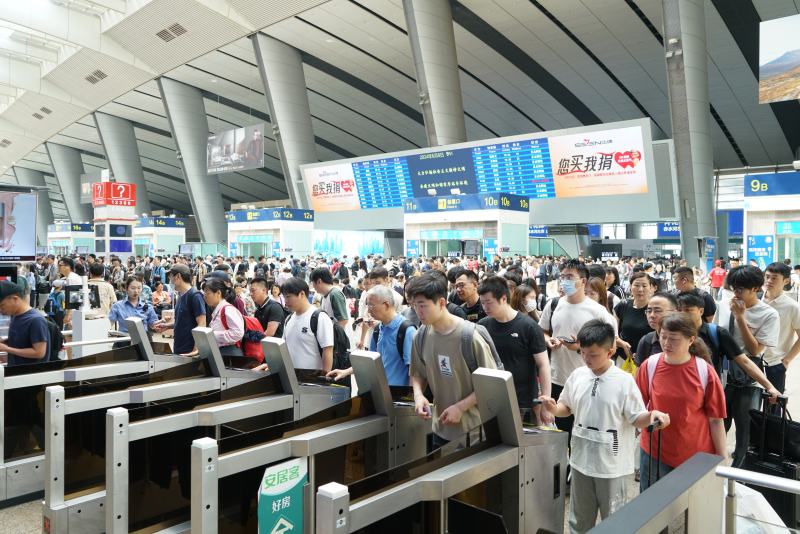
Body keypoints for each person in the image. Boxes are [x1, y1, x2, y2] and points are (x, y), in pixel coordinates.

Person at [540, 320, 668, 532]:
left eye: (593, 355)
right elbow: (567, 407)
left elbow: (636, 418)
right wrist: (554, 409)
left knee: (614, 520)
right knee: (579, 518)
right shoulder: (578, 375)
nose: (586, 359)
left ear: (610, 351)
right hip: (581, 460)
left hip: (611, 465)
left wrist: (653, 415)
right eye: (583, 353)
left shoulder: (624, 381)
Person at [636, 313, 727, 491]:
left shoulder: (704, 371)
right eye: (663, 337)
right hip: (655, 452)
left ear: (691, 340)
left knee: (690, 513)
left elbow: (716, 420)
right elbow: (636, 408)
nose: (666, 343)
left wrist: (722, 460)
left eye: (674, 339)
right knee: (652, 509)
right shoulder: (650, 366)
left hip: (695, 455)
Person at [409, 273, 498, 449]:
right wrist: (419, 396)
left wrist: (460, 407)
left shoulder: (470, 337)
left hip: (474, 433)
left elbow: (492, 384)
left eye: (422, 306)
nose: (418, 312)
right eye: (414, 306)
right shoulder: (421, 336)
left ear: (442, 303)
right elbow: (418, 373)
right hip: (439, 429)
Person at [539, 260, 617, 436]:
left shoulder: (598, 312)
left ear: (583, 281)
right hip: (558, 378)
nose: (564, 281)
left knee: (587, 431)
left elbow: (611, 347)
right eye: (562, 277)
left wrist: (579, 347)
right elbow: (542, 331)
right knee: (562, 432)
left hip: (589, 380)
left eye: (570, 277)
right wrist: (548, 339)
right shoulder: (553, 305)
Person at [715, 266, 780, 467]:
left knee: (744, 432)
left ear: (755, 288)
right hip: (722, 374)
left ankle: (739, 480)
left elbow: (754, 349)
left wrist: (741, 318)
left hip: (748, 378)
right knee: (717, 426)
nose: (736, 293)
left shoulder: (768, 314)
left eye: (741, 289)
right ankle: (712, 472)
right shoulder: (724, 306)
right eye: (733, 288)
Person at [479, 276, 552, 425]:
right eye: (482, 303)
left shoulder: (529, 326)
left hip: (523, 402)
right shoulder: (482, 326)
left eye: (489, 302)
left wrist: (546, 404)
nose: (485, 307)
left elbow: (543, 365)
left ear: (503, 298)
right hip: (492, 402)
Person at [328, 285, 416, 386]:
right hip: (380, 392)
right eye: (367, 306)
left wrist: (410, 398)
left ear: (386, 305)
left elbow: (414, 372)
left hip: (398, 395)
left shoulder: (406, 331)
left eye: (371, 306)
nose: (368, 311)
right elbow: (371, 362)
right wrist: (345, 372)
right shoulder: (378, 330)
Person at [762, 262, 800, 398]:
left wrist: (787, 360)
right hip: (752, 361)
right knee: (750, 406)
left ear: (786, 281)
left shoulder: (792, 307)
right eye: (767, 277)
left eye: (774, 278)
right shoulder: (755, 299)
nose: (769, 281)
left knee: (773, 410)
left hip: (775, 364)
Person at [279, 277, 334, 371]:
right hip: (292, 377)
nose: (286, 301)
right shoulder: (289, 319)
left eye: (288, 296)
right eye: (284, 297)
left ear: (302, 294)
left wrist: (325, 378)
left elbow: (328, 350)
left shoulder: (319, 317)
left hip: (313, 380)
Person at [153, 265, 206, 356]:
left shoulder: (195, 296)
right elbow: (183, 321)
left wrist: (196, 348)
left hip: (189, 349)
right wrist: (167, 326)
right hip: (179, 346)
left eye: (170, 277)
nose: (170, 280)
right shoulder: (181, 295)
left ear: (178, 276)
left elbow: (202, 324)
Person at [0, 280, 51, 366]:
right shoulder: (16, 316)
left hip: (30, 375)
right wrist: (5, 342)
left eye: (2, 306)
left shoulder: (36, 320)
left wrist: (7, 349)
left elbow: (39, 353)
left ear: (15, 299)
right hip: (16, 371)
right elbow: (23, 341)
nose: (1, 311)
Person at [614, 272, 654, 363]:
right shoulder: (623, 306)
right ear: (631, 287)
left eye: (644, 286)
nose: (640, 289)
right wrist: (622, 344)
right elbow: (613, 332)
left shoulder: (655, 308)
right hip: (624, 358)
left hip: (649, 359)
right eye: (636, 285)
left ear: (651, 287)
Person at [202, 277, 244, 357]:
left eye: (207, 293)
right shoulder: (218, 309)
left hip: (229, 353)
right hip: (221, 352)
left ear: (218, 293)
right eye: (204, 293)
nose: (205, 297)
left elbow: (238, 333)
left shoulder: (228, 309)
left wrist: (212, 335)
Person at [634, 292, 678, 363]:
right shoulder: (646, 341)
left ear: (674, 312)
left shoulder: (687, 341)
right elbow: (639, 372)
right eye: (649, 311)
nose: (652, 315)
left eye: (657, 311)